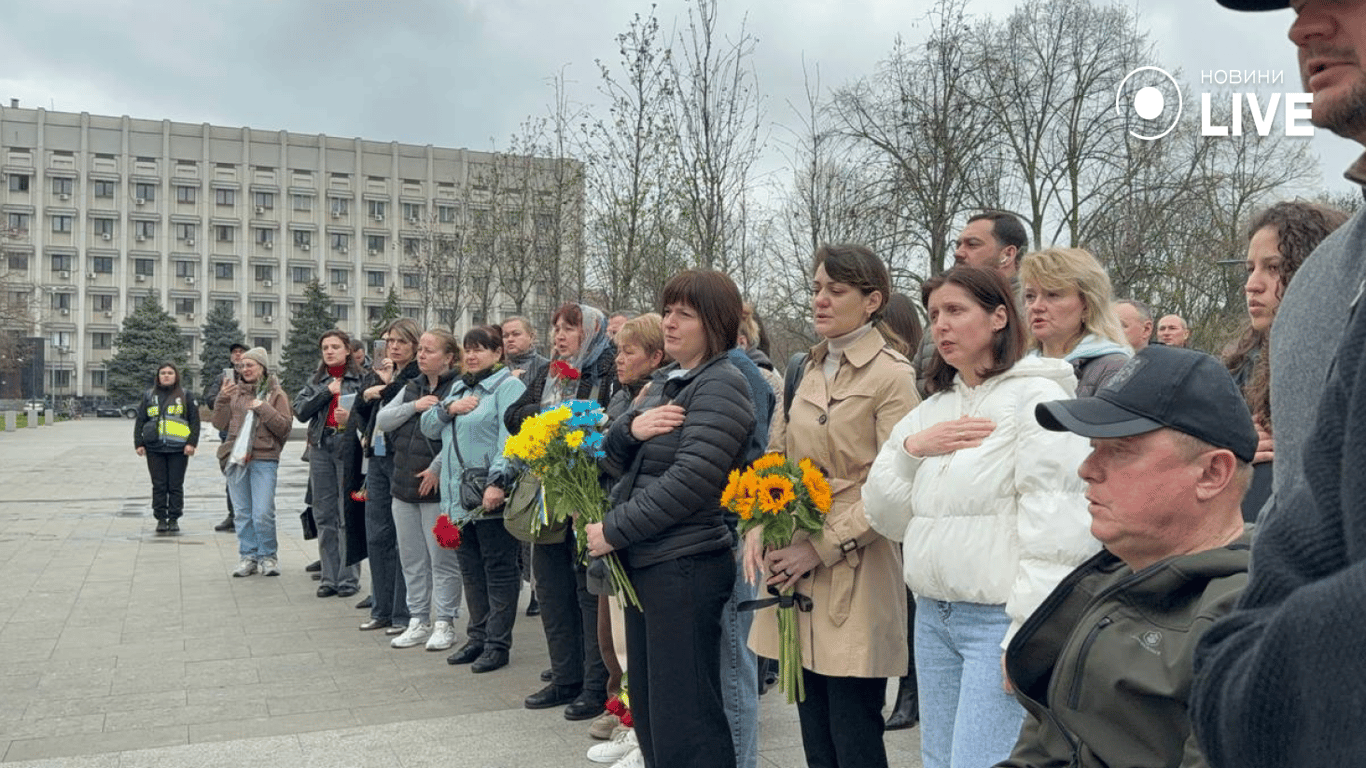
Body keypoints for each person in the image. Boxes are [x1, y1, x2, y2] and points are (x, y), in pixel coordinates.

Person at [1193, 2, 1366, 764]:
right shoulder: (1331, 284)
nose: (1304, 29)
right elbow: (1293, 559)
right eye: (1295, 6)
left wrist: (1264, 671)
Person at [863, 266, 1097, 768]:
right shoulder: (931, 410)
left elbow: (1059, 530)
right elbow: (885, 516)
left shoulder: (1038, 398)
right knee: (938, 759)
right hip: (932, 617)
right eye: (933, 315)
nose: (941, 326)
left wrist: (1026, 634)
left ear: (997, 317)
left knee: (981, 761)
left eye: (955, 310)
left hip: (996, 622)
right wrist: (909, 451)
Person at [996, 345, 1256, 768]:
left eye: (1120, 449)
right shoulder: (1105, 581)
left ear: (1212, 474)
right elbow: (1041, 749)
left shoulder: (1250, 617)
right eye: (1094, 445)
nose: (1087, 468)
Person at [745, 244, 920, 768]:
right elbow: (777, 454)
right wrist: (758, 522)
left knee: (853, 731)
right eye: (817, 288)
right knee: (813, 727)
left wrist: (820, 547)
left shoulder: (893, 375)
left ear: (873, 301)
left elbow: (898, 485)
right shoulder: (807, 368)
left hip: (858, 567)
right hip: (793, 564)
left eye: (836, 291)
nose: (820, 300)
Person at [585, 269, 754, 768]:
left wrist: (613, 530)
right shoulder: (668, 383)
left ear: (716, 322)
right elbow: (612, 462)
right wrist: (629, 431)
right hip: (651, 561)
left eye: (685, 313)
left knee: (688, 722)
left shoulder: (722, 384)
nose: (670, 322)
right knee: (655, 717)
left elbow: (693, 481)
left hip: (685, 565)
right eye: (668, 310)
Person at [505, 302, 618, 721]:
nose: (559, 335)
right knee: (551, 589)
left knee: (587, 594)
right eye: (555, 327)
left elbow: (609, 423)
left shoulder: (605, 368)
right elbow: (513, 415)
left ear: (591, 330)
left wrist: (570, 421)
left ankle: (593, 686)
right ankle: (564, 677)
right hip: (547, 495)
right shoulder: (548, 371)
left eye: (569, 327)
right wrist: (547, 419)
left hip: (588, 495)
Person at [1221, 201, 1348, 521]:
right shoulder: (1238, 367)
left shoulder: (1345, 365)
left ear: (1314, 270)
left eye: (1274, 267)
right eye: (1251, 269)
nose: (1252, 284)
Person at [583, 312, 667, 754]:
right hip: (608, 524)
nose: (619, 359)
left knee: (633, 636)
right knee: (610, 634)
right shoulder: (622, 398)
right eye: (617, 350)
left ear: (656, 356)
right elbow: (602, 454)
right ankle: (623, 711)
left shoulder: (659, 398)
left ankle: (638, 725)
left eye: (629, 351)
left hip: (633, 529)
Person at [425, 325, 527, 672]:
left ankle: (498, 644)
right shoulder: (458, 387)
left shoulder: (508, 386)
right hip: (457, 500)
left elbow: (511, 439)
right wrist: (449, 409)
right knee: (470, 570)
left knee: (498, 570)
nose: (472, 355)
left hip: (489, 495)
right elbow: (428, 426)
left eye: (480, 349)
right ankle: (478, 637)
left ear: (498, 353)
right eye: (468, 349)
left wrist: (498, 481)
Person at [376, 328, 463, 652]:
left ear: (449, 357)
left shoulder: (459, 388)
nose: (422, 355)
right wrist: (415, 407)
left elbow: (459, 436)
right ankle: (418, 619)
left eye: (429, 350)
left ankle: (445, 622)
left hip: (436, 488)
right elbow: (383, 420)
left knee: (442, 559)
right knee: (411, 557)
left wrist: (438, 467)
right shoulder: (412, 387)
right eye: (421, 350)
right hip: (403, 484)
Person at [351, 318, 422, 633]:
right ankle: (380, 608)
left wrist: (385, 386)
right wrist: (369, 394)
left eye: (401, 342)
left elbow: (402, 406)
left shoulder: (418, 376)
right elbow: (362, 411)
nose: (393, 347)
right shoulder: (377, 373)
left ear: (415, 346)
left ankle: (402, 612)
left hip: (402, 459)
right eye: (390, 341)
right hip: (376, 457)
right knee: (377, 535)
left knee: (401, 538)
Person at [878, 291, 925, 732]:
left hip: (913, 500)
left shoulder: (908, 374)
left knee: (910, 606)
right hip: (889, 498)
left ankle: (910, 693)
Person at [918, 210, 1028, 397]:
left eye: (972, 245)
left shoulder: (1033, 311)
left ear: (1007, 255)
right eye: (959, 244)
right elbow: (918, 380)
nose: (958, 253)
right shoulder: (938, 320)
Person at [293, 330, 364, 599]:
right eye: (325, 347)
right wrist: (326, 392)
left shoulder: (361, 379)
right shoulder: (317, 380)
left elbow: (372, 413)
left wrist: (352, 415)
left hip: (348, 449)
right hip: (321, 448)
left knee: (347, 514)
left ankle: (348, 578)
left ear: (347, 350)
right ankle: (328, 577)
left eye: (335, 346)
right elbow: (300, 411)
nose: (330, 351)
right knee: (324, 515)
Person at [213, 347, 292, 577]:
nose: (245, 369)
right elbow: (220, 424)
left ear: (263, 368)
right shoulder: (234, 393)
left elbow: (284, 428)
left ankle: (268, 556)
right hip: (236, 459)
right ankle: (248, 556)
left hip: (264, 459)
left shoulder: (276, 394)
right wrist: (222, 398)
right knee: (242, 512)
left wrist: (263, 407)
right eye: (242, 366)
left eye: (250, 365)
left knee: (263, 512)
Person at [1019, 247, 1130, 396]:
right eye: (1030, 296)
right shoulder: (1014, 366)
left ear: (1087, 305)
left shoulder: (1115, 369)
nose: (1036, 307)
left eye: (1053, 295)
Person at [133, 362, 200, 534]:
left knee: (175, 485)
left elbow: (194, 421)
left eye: (170, 372)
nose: (166, 375)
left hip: (178, 448)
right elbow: (141, 420)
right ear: (158, 376)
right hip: (154, 448)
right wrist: (138, 443)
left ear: (176, 375)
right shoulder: (149, 395)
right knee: (159, 485)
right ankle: (161, 518)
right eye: (163, 373)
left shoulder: (185, 395)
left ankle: (174, 518)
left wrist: (191, 443)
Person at [209, 342, 248, 533]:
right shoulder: (223, 378)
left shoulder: (256, 376)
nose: (238, 356)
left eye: (241, 352)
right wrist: (223, 395)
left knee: (252, 475)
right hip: (229, 433)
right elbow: (209, 400)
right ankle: (233, 515)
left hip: (251, 433)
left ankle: (248, 515)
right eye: (235, 353)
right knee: (231, 475)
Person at [502, 315, 548, 384]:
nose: (510, 339)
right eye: (505, 336)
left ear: (531, 337)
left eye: (516, 334)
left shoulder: (546, 368)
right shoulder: (495, 369)